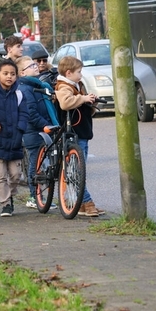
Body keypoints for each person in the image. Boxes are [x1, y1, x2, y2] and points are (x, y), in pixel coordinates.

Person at [54, 55, 106, 218]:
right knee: (78, 171)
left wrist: (91, 102)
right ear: (68, 73)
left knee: (79, 170)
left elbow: (82, 107)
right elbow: (65, 103)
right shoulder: (64, 87)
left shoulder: (77, 84)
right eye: (79, 72)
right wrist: (83, 98)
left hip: (82, 132)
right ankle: (88, 203)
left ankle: (81, 205)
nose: (81, 75)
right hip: (74, 133)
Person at [0, 59, 31, 217]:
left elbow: (24, 113)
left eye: (12, 74)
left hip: (14, 140)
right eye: (5, 74)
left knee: (16, 174)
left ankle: (9, 195)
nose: (9, 77)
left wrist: (21, 128)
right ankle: (5, 204)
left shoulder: (18, 95)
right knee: (0, 175)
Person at [16, 56, 59, 209]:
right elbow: (31, 113)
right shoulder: (24, 88)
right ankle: (33, 197)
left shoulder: (39, 85)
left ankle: (40, 197)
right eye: (31, 65)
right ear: (22, 73)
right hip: (34, 132)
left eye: (35, 64)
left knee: (41, 164)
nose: (35, 66)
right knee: (35, 165)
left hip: (43, 129)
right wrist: (45, 125)